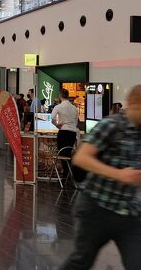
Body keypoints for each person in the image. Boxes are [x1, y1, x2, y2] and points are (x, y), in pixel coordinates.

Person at [59, 85, 141, 270]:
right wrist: (119, 174)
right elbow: (81, 158)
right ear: (135, 104)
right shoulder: (111, 125)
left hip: (129, 212)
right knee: (81, 261)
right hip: (96, 208)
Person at [51, 88, 80, 178]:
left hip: (63, 132)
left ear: (60, 96)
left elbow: (52, 118)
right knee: (68, 153)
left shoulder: (58, 107)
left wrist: (57, 125)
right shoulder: (74, 108)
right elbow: (76, 121)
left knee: (62, 153)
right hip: (72, 133)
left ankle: (65, 174)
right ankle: (67, 174)